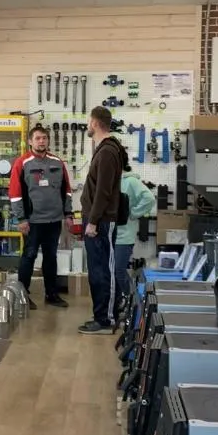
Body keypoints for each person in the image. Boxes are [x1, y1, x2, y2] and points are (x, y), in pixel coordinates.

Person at [8, 124, 72, 309]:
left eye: (44, 138)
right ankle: (23, 297)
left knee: (51, 257)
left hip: (54, 220)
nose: (41, 141)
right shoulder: (22, 163)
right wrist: (21, 219)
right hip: (32, 222)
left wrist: (68, 214)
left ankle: (52, 294)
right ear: (30, 141)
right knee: (29, 256)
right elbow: (15, 194)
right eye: (38, 138)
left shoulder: (57, 162)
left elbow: (66, 190)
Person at [78, 106, 128, 334]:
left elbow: (103, 192)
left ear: (95, 123)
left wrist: (93, 221)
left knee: (102, 269)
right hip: (97, 219)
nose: (87, 125)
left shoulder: (107, 152)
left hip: (101, 221)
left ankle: (106, 319)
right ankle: (102, 314)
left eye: (89, 121)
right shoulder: (104, 149)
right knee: (97, 269)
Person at [114, 168, 158, 316]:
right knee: (114, 272)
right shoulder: (109, 181)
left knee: (119, 271)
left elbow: (149, 198)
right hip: (111, 235)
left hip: (124, 236)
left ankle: (135, 304)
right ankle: (120, 304)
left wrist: (133, 213)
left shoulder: (131, 181)